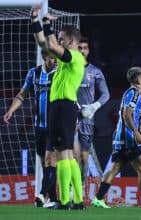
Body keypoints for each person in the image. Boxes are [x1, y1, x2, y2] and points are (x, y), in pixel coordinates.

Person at [31, 6, 85, 209]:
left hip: (63, 107)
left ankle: (63, 202)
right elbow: (44, 43)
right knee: (68, 154)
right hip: (62, 107)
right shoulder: (66, 60)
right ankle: (78, 201)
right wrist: (36, 20)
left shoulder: (75, 57)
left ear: (71, 42)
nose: (59, 41)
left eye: (62, 39)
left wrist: (48, 24)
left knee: (62, 154)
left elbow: (52, 44)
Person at [91, 67, 141, 208]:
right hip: (128, 138)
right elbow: (127, 115)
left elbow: (133, 119)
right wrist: (136, 133)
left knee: (114, 168)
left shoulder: (131, 93)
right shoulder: (134, 94)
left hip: (121, 137)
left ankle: (98, 199)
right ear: (138, 80)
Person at [3, 50, 58, 207]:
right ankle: (53, 198)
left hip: (55, 126)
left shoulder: (61, 73)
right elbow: (22, 94)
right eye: (52, 58)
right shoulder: (34, 73)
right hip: (39, 126)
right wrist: (11, 110)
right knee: (44, 163)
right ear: (45, 57)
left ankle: (41, 194)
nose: (56, 61)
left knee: (50, 160)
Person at [75, 37, 110, 184]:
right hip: (70, 117)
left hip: (86, 119)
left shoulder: (95, 71)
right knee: (70, 156)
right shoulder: (67, 68)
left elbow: (106, 94)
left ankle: (80, 189)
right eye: (79, 48)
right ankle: (66, 189)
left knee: (84, 158)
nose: (82, 51)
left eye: (85, 48)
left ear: (88, 51)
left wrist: (93, 107)